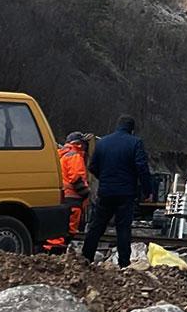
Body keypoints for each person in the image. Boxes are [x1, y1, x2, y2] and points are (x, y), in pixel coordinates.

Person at [82, 115, 150, 268]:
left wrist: (105, 178)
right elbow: (142, 168)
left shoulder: (102, 143)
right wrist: (147, 190)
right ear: (131, 129)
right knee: (123, 228)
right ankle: (124, 264)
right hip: (126, 193)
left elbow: (92, 167)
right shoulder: (135, 143)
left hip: (106, 191)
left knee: (97, 226)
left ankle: (86, 258)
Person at [42, 132, 91, 252]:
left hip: (63, 197)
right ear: (79, 144)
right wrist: (86, 194)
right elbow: (76, 178)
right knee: (69, 229)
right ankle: (56, 252)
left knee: (59, 227)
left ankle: (50, 251)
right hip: (73, 199)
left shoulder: (61, 155)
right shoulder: (75, 156)